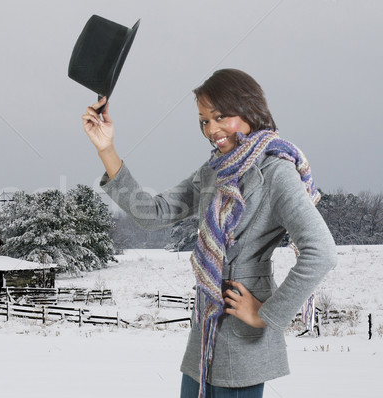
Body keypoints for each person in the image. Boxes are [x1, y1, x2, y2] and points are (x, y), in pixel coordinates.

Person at [81, 68, 337, 398]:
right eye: (204, 120)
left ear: (249, 110)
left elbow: (321, 251)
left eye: (221, 116)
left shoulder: (276, 170)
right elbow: (153, 213)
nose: (211, 129)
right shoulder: (215, 169)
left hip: (242, 336)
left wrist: (265, 314)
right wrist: (106, 148)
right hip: (204, 336)